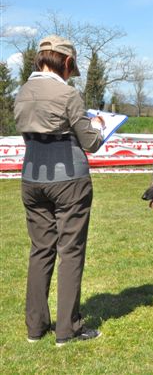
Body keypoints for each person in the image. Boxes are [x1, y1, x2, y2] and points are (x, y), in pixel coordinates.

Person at [14, 35, 105, 346]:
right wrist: (99, 126)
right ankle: (68, 329)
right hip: (69, 181)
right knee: (71, 252)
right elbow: (91, 142)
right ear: (67, 62)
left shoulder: (22, 93)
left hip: (31, 178)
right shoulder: (68, 94)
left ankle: (35, 328)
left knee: (40, 250)